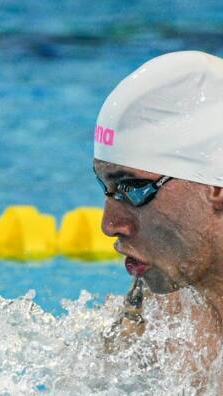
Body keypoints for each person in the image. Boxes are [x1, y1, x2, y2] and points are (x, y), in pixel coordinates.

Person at [93, 51, 223, 358]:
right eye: (106, 187)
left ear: (215, 188)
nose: (109, 225)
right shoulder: (154, 321)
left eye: (134, 188)